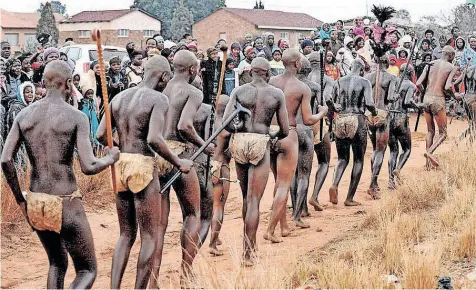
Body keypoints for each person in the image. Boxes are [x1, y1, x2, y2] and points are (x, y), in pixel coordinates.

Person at [1, 60, 120, 289]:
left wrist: (20, 200)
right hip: (65, 203)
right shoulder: (76, 117)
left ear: (43, 83)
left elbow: (6, 160)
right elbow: (88, 166)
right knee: (87, 270)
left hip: (35, 201)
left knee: (57, 263)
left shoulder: (24, 115)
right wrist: (110, 158)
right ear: (68, 83)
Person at [99, 56, 192, 289]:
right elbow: (153, 139)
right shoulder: (158, 99)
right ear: (163, 76)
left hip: (120, 165)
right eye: (166, 78)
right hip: (142, 166)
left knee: (125, 234)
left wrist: (121, 150)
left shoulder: (119, 97)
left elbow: (101, 135)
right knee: (149, 236)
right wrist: (178, 161)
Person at [152, 50, 214, 285]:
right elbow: (185, 126)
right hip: (180, 153)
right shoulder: (193, 92)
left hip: (158, 154)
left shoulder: (162, 90)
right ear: (192, 70)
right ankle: (186, 274)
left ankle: (154, 280)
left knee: (159, 223)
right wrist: (203, 144)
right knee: (192, 213)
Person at [222, 57, 289, 265]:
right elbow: (285, 130)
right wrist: (272, 136)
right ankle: (248, 253)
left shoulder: (238, 91)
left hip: (239, 141)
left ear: (251, 72)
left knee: (245, 198)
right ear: (267, 73)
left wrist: (240, 125)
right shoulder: (276, 94)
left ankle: (249, 245)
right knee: (254, 201)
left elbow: (226, 124)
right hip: (261, 141)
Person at [266, 49, 328, 237]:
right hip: (290, 133)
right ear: (298, 64)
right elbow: (308, 120)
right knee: (284, 185)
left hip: (271, 134)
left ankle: (284, 226)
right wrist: (322, 113)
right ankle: (270, 230)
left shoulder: (272, 82)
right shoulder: (302, 88)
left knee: (278, 182)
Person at [329, 59, 377, 206]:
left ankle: (334, 184)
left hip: (341, 119)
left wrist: (332, 124)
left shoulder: (338, 81)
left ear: (351, 68)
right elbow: (369, 103)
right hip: (357, 119)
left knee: (342, 159)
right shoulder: (364, 82)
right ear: (362, 70)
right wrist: (375, 113)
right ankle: (349, 198)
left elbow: (331, 103)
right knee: (358, 159)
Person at [416, 46, 457, 168]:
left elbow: (418, 83)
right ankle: (429, 152)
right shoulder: (452, 67)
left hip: (426, 99)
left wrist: (424, 92)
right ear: (451, 55)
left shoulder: (430, 64)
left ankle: (428, 165)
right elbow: (447, 87)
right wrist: (453, 96)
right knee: (443, 134)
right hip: (438, 100)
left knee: (430, 131)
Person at [307, 51, 336, 211]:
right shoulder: (328, 80)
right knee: (324, 161)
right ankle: (315, 195)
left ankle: (300, 206)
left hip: (300, 124)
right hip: (318, 123)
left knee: (301, 168)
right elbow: (325, 101)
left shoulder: (300, 79)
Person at [364, 56, 397, 198]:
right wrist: (394, 97)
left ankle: (374, 182)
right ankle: (373, 183)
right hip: (382, 114)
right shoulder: (391, 77)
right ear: (387, 63)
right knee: (380, 151)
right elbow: (389, 98)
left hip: (369, 115)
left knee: (375, 150)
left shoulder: (367, 77)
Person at [388, 64, 420, 188]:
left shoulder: (393, 81)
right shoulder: (411, 85)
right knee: (407, 149)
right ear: (410, 73)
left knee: (393, 150)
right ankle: (398, 168)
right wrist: (418, 105)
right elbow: (407, 102)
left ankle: (391, 180)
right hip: (401, 117)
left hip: (390, 117)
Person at [208, 95, 232, 256]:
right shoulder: (227, 125)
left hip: (206, 165)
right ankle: (212, 243)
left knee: (210, 204)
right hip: (220, 165)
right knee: (218, 205)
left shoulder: (206, 121)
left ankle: (214, 238)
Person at [78, 82, 99, 147]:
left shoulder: (92, 103)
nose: (90, 95)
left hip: (93, 121)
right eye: (88, 94)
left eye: (91, 93)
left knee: (94, 130)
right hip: (86, 120)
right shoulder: (82, 104)